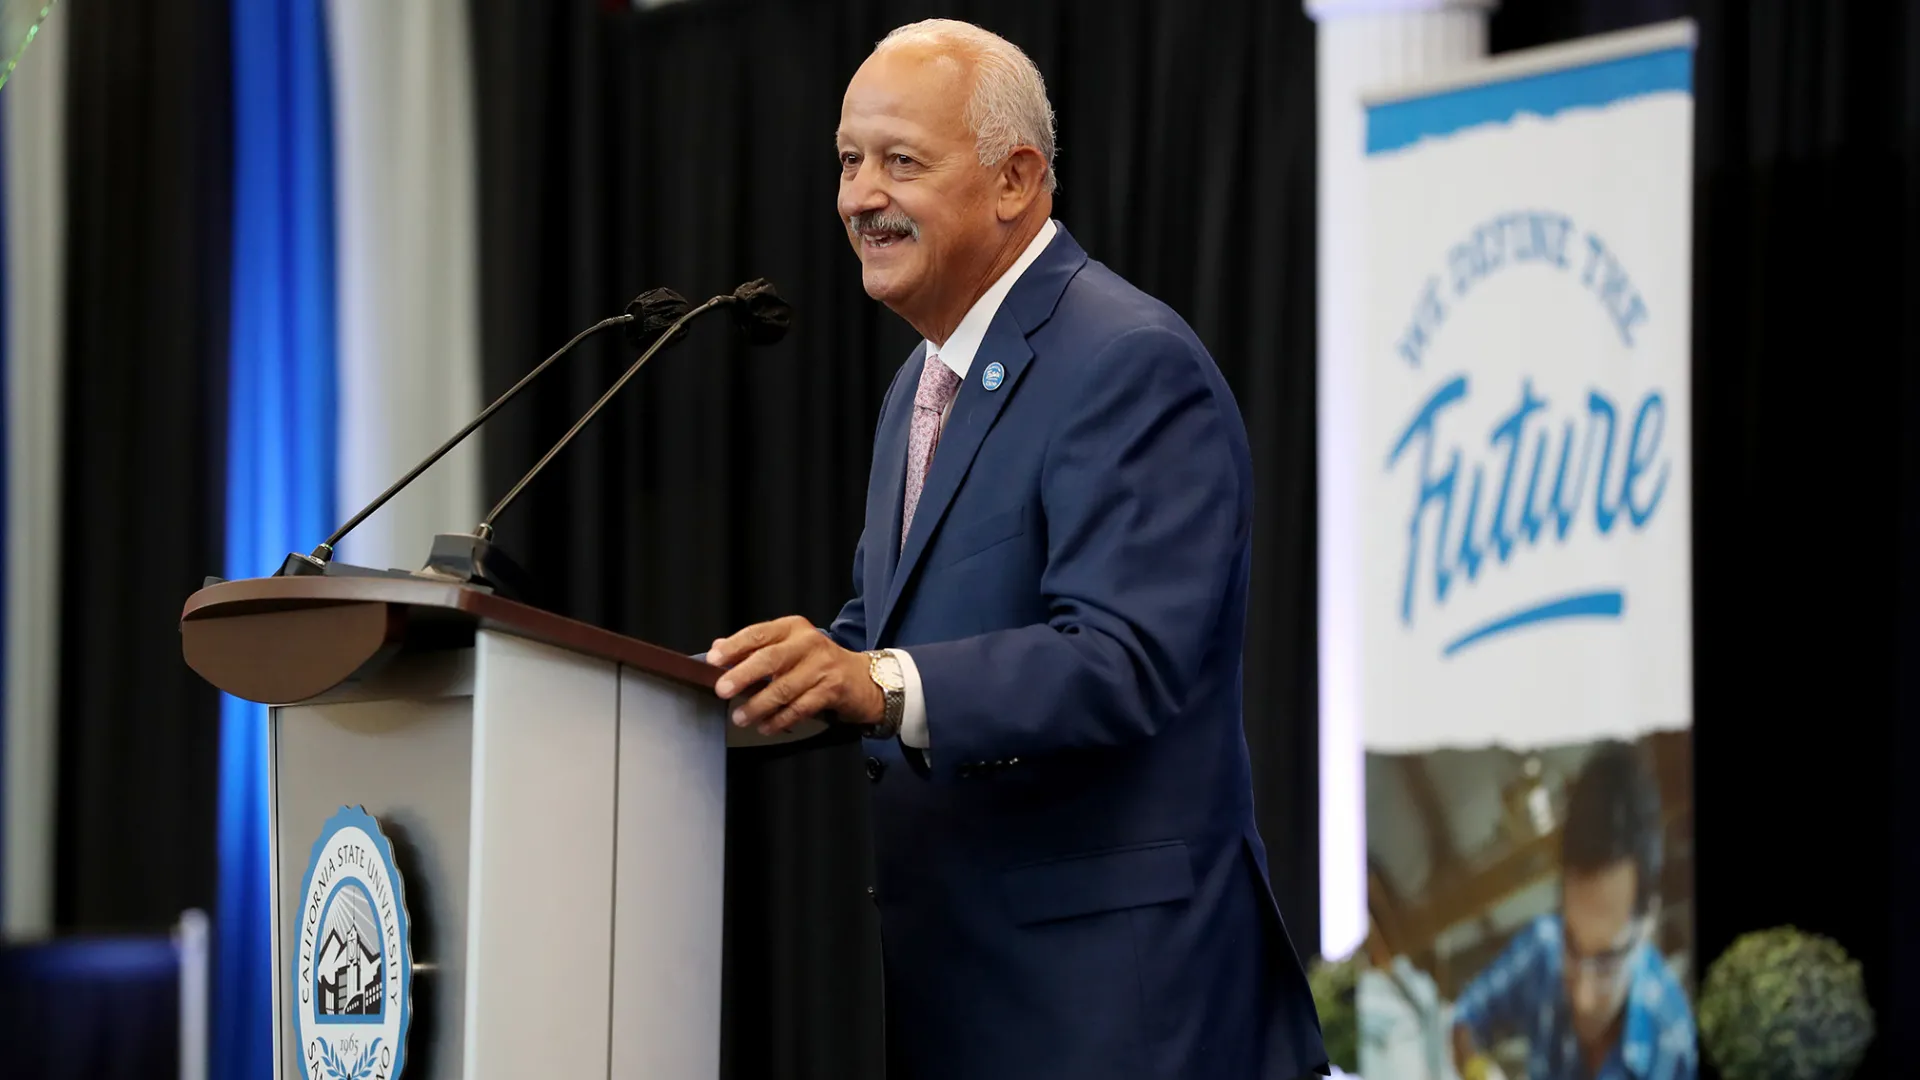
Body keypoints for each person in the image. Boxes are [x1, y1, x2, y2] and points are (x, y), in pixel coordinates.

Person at [702, 17, 1326, 1080]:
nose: (859, 195)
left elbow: (1122, 660)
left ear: (1014, 178)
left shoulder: (1128, 362)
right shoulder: (921, 386)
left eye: (900, 160)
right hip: (970, 1002)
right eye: (849, 161)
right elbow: (886, 637)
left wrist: (872, 679)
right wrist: (711, 696)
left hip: (1120, 1012)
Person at [1450, 741, 1696, 1080]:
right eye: (1572, 945)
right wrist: (1477, 1068)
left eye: (1607, 960)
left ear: (1647, 924)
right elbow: (1463, 1017)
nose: (1582, 998)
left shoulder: (1674, 1043)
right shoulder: (1543, 946)